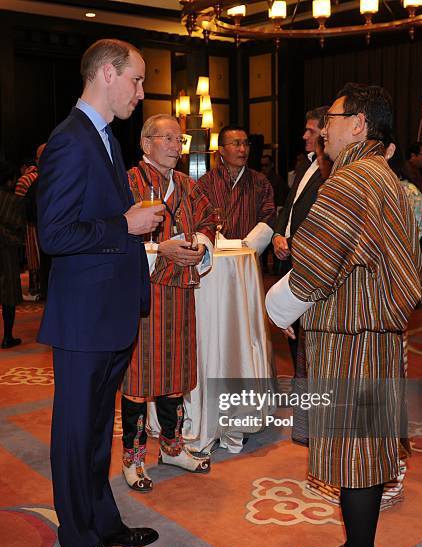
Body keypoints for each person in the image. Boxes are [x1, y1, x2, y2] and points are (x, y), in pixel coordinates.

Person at [266, 83, 422, 547]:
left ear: (358, 124)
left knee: (356, 454)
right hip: (375, 336)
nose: (323, 128)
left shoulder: (351, 179)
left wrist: (281, 308)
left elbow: (314, 268)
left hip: (353, 339)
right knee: (369, 450)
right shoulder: (383, 176)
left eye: (331, 118)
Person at [37, 39, 164, 547]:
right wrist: (126, 225)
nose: (140, 92)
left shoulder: (104, 136)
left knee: (95, 431)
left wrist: (125, 221)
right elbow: (55, 233)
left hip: (107, 312)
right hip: (83, 318)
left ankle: (104, 522)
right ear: (108, 74)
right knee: (75, 432)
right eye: (136, 80)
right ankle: (79, 540)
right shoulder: (70, 140)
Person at [120, 114, 214, 491]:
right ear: (146, 144)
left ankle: (173, 447)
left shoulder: (189, 185)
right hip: (143, 294)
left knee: (177, 372)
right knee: (140, 376)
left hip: (181, 293)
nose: (177, 146)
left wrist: (199, 246)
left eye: (180, 139)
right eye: (168, 139)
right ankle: (134, 457)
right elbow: (117, 233)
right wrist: (161, 249)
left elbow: (209, 220)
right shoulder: (128, 182)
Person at [272, 105, 329, 365]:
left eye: (310, 130)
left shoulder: (333, 169)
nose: (304, 136)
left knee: (313, 338)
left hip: (312, 264)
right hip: (290, 261)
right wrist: (278, 235)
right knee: (294, 334)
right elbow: (290, 205)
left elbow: (323, 222)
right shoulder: (303, 164)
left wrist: (293, 242)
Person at [197, 126, 275, 255]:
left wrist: (246, 246)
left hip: (248, 255)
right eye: (236, 144)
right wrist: (224, 245)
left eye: (246, 144)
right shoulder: (205, 183)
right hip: (216, 255)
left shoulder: (260, 182)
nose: (243, 149)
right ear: (221, 149)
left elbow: (268, 217)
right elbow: (201, 219)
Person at [0, 162, 26, 349]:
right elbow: (18, 231)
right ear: (10, 182)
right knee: (8, 295)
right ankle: (7, 336)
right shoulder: (13, 202)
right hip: (6, 253)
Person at [15, 144, 45, 300]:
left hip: (32, 224)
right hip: (47, 222)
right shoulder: (54, 175)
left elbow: (18, 207)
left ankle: (36, 287)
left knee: (34, 255)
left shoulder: (25, 180)